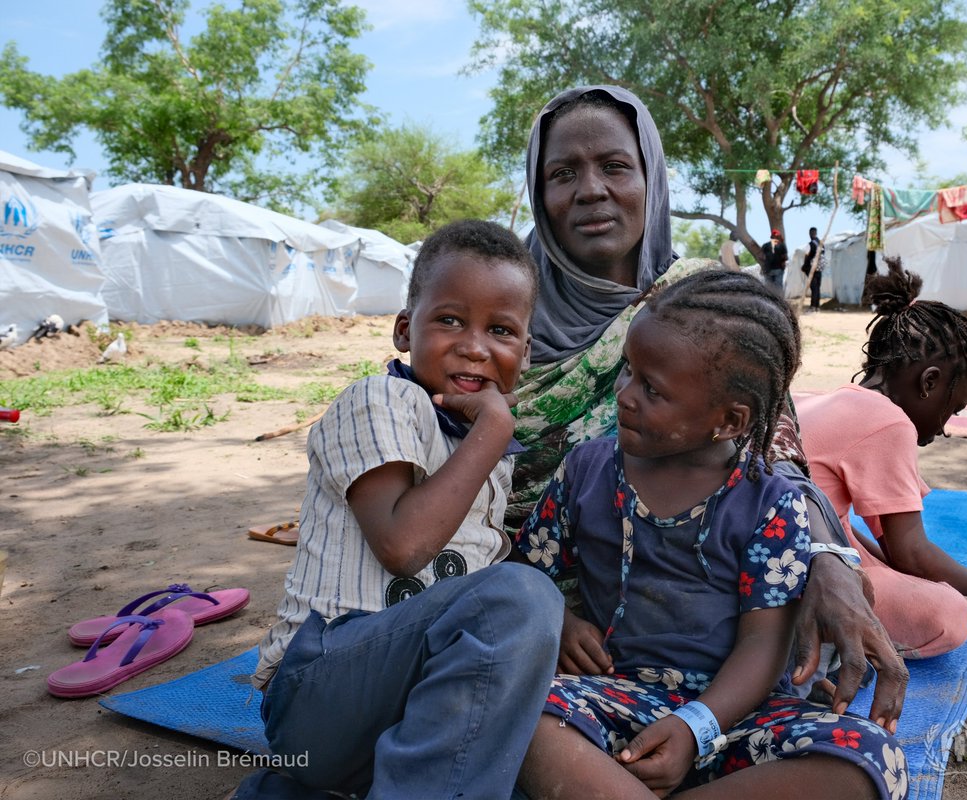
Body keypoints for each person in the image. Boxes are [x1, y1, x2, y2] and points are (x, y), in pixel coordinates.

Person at [511, 84, 908, 731]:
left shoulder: (704, 301)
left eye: (614, 166)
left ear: (651, 178)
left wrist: (827, 559)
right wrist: (534, 608)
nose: (589, 189)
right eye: (562, 173)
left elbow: (772, 456)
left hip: (720, 581)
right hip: (551, 591)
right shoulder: (497, 315)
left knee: (902, 617)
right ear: (538, 188)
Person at [514, 270, 906, 800]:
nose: (624, 396)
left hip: (735, 717)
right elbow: (521, 575)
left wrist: (693, 730)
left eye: (651, 389)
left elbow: (763, 646)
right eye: (628, 371)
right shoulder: (585, 471)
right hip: (611, 700)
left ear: (729, 421)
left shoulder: (770, 502)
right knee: (521, 713)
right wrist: (558, 618)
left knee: (868, 758)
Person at [233, 220, 563, 799]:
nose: (475, 345)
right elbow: (404, 546)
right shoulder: (379, 399)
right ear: (405, 330)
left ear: (526, 352)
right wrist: (494, 428)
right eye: (450, 320)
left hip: (398, 713)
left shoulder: (480, 442)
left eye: (502, 330)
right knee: (523, 595)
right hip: (319, 689)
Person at [795, 257, 967, 660]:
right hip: (800, 573)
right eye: (951, 409)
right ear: (929, 382)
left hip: (770, 550)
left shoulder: (837, 400)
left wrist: (951, 580)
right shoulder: (888, 422)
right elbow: (910, 551)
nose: (945, 427)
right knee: (949, 615)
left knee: (857, 542)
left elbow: (886, 544)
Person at [801, 226, 825, 312]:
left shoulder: (811, 244)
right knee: (817, 287)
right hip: (820, 268)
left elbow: (807, 256)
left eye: (811, 233)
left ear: (811, 233)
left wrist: (804, 267)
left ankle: (813, 307)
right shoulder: (821, 243)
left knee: (814, 287)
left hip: (812, 269)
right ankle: (817, 307)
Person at [760, 228, 788, 295]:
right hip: (778, 269)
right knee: (778, 288)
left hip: (768, 269)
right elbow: (785, 257)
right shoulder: (782, 245)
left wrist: (766, 261)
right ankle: (779, 303)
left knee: (768, 288)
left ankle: (770, 303)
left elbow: (761, 257)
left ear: (771, 236)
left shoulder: (765, 245)